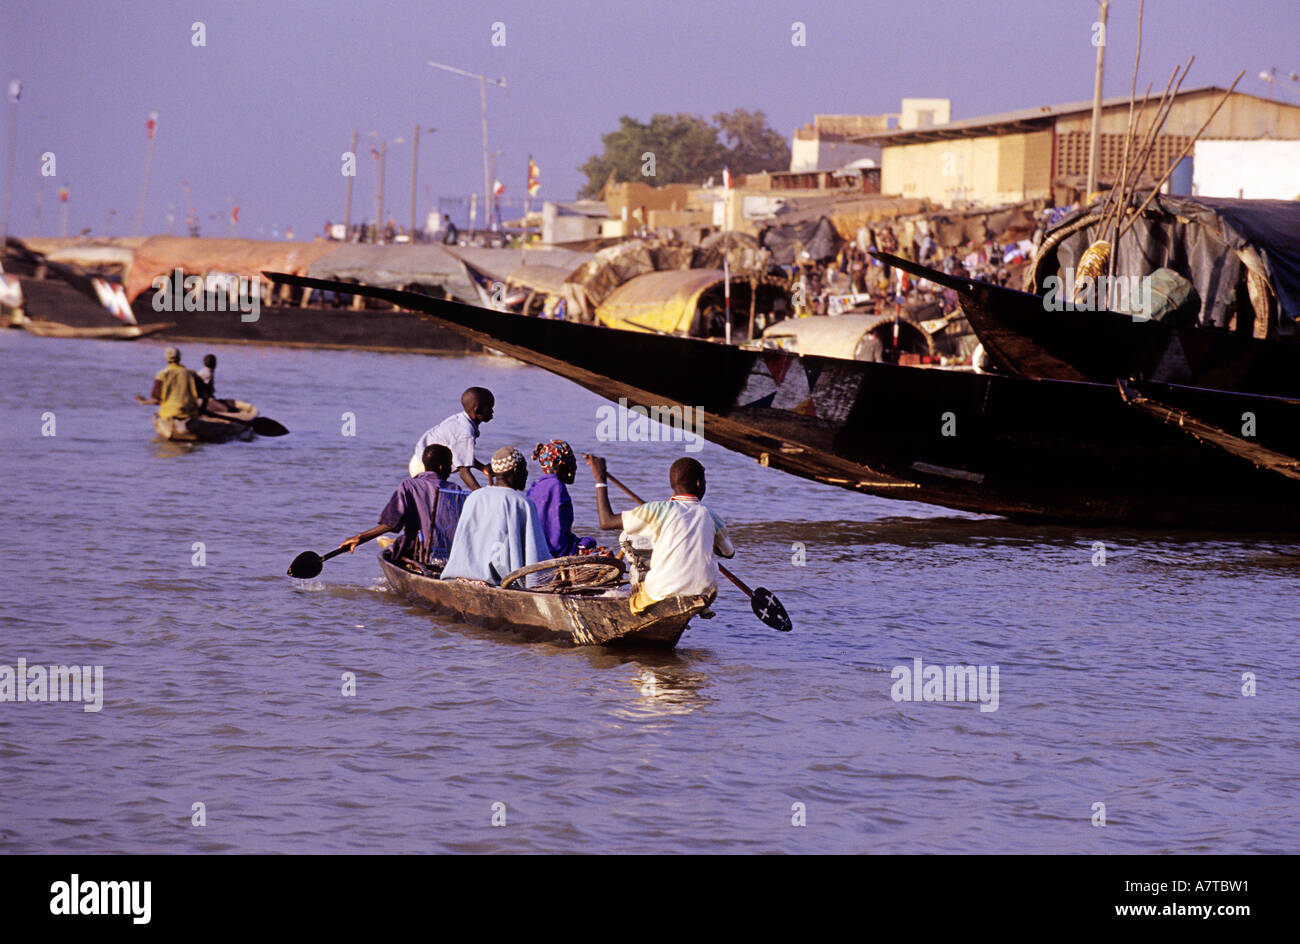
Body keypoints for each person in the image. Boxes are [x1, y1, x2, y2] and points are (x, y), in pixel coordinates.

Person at [586, 454, 734, 614]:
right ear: (699, 483)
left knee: (636, 590)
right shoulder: (712, 516)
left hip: (660, 590)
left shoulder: (657, 510)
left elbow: (606, 522)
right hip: (705, 592)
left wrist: (600, 479)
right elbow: (728, 553)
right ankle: (699, 608)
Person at [338, 444, 468, 563]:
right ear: (442, 467)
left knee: (396, 548)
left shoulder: (409, 485)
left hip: (419, 553)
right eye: (450, 466)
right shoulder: (455, 489)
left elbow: (390, 523)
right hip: (450, 554)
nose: (451, 470)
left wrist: (360, 537)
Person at [440, 446, 550, 585]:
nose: (526, 474)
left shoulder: (475, 497)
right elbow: (534, 553)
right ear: (516, 470)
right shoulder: (521, 502)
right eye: (524, 469)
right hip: (498, 582)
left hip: (461, 578)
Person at [526, 440, 599, 558]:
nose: (575, 467)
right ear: (562, 465)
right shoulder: (556, 486)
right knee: (591, 545)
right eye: (572, 462)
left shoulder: (536, 485)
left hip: (533, 548)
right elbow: (556, 539)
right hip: (553, 551)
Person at [409, 387, 494, 488]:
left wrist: (482, 467)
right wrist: (481, 496)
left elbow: (462, 454)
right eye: (490, 407)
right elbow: (464, 473)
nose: (492, 411)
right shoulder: (465, 432)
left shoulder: (461, 419)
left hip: (420, 460)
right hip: (424, 467)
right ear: (478, 409)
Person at [136, 347, 201, 436]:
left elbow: (156, 400)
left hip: (169, 414)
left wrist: (143, 402)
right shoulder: (192, 374)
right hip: (190, 414)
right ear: (179, 358)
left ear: (166, 358)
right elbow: (203, 395)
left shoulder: (162, 375)